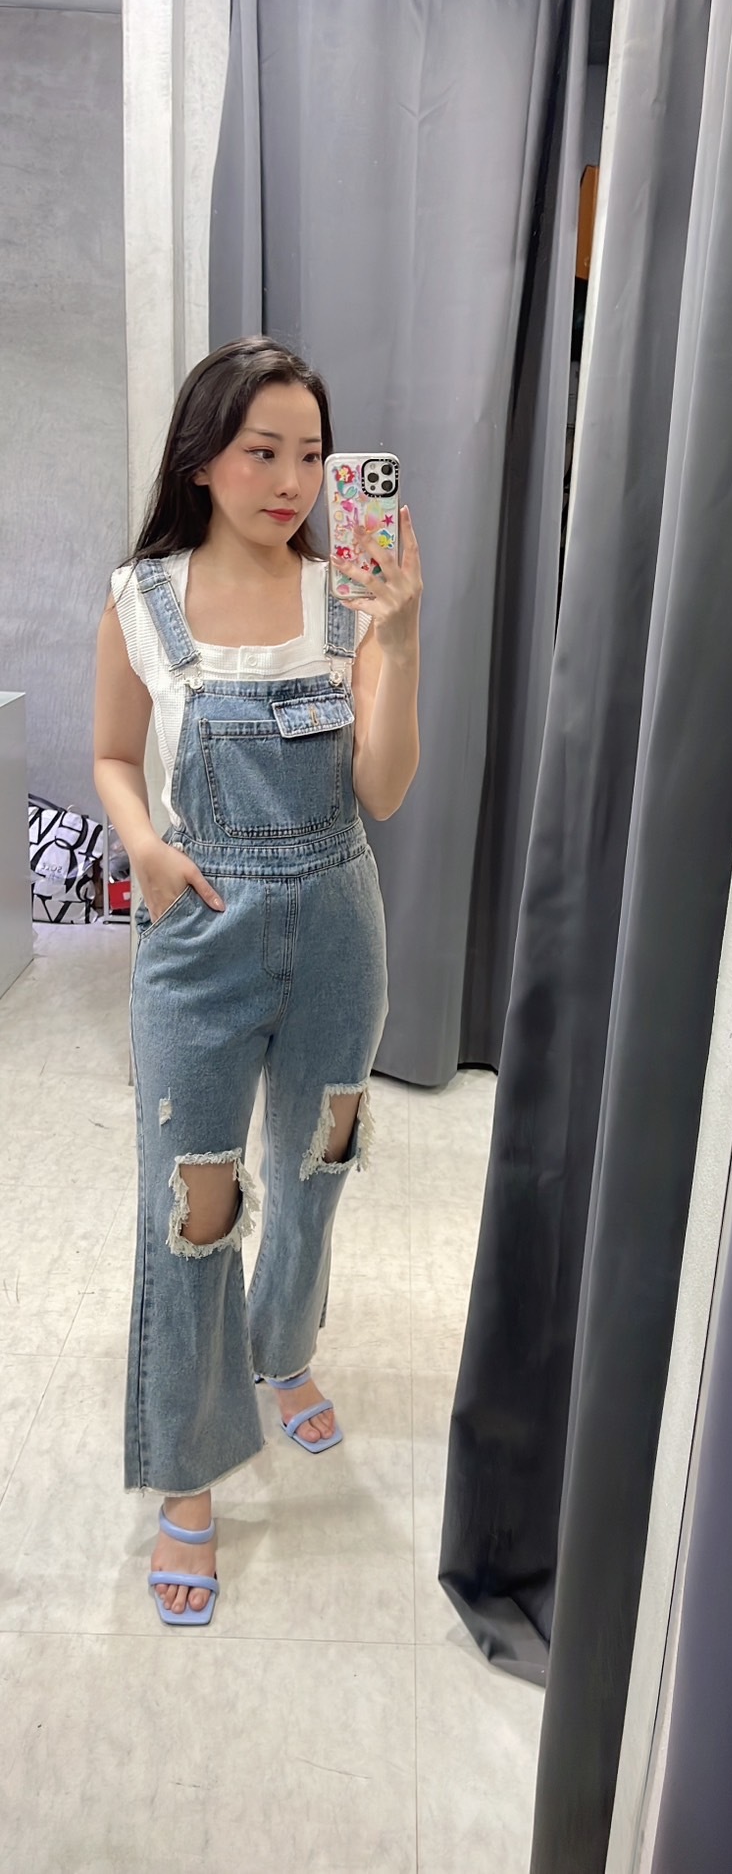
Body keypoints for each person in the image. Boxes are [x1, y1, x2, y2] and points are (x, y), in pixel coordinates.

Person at [93, 335, 422, 1627]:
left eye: (310, 454)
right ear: (202, 459)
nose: (290, 480)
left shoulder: (349, 603)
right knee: (195, 1202)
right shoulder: (142, 601)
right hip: (202, 934)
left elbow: (382, 790)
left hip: (339, 920)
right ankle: (187, 1472)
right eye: (260, 451)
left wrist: (402, 638)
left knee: (317, 1164)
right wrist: (143, 845)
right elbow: (113, 754)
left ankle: (281, 1351)